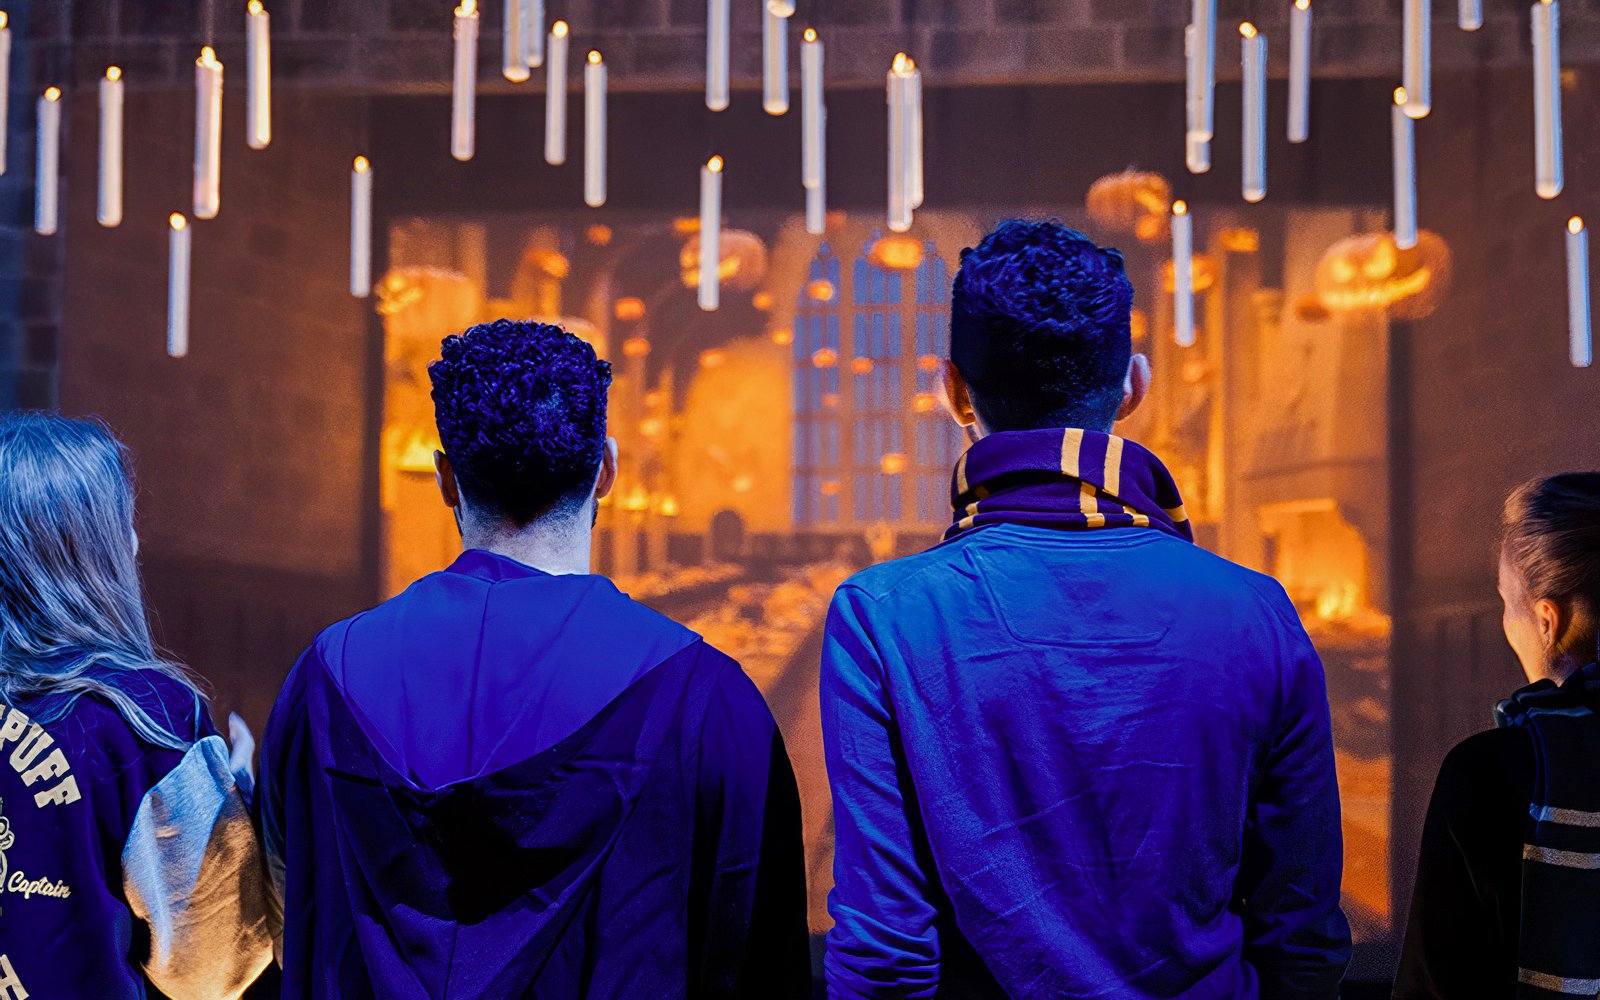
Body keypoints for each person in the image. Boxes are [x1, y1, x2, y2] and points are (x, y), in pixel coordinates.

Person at [820, 221, 1352, 998]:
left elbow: (886, 954)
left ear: (954, 391)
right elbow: (1300, 936)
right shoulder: (1256, 612)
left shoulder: (882, 617)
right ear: (1134, 385)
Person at [257, 319, 810, 998]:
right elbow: (758, 959)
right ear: (606, 470)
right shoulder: (708, 698)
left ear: (445, 478)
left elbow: (288, 905)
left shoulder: (326, 677)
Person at [0, 412, 271, 998]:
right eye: (125, 522)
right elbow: (214, 968)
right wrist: (239, 804)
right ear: (96, 547)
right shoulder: (143, 718)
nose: (136, 542)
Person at [1395, 474, 1600, 999]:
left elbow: (1431, 989)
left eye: (1507, 602)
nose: (1506, 622)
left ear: (1548, 620)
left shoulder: (1488, 773)